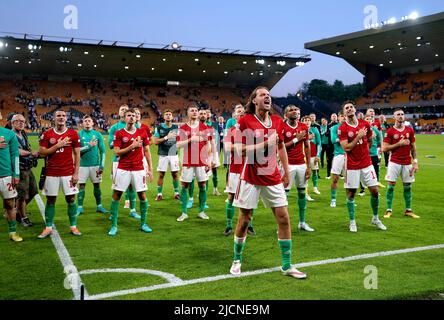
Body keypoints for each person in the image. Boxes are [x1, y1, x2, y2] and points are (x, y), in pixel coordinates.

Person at [230, 86, 306, 279]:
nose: (267, 97)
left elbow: (280, 147)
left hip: (272, 176)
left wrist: (286, 172)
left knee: (284, 218)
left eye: (269, 95)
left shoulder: (278, 121)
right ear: (254, 100)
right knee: (244, 220)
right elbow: (240, 151)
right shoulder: (245, 121)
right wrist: (265, 144)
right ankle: (237, 259)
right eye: (263, 94)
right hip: (250, 177)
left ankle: (287, 265)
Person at [338, 101, 386, 233]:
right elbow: (346, 147)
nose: (349, 109)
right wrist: (358, 137)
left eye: (351, 107)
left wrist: (364, 149)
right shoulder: (342, 128)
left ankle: (375, 218)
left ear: (355, 109)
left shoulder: (365, 124)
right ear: (344, 112)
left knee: (375, 191)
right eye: (346, 108)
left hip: (367, 164)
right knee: (351, 193)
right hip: (352, 165)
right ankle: (352, 221)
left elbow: (370, 140)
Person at [108, 108, 153, 236]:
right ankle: (114, 225)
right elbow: (116, 152)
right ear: (124, 117)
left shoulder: (142, 132)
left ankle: (143, 224)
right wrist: (131, 147)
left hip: (139, 169)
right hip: (123, 168)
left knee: (142, 196)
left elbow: (147, 151)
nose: (132, 117)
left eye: (133, 115)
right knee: (117, 195)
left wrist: (150, 169)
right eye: (129, 115)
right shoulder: (119, 133)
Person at [38, 110, 82, 238]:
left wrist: (76, 173)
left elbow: (77, 154)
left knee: (71, 199)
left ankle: (73, 226)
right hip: (51, 172)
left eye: (63, 116)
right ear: (54, 118)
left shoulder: (73, 134)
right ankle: (48, 227)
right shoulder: (47, 134)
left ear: (66, 118)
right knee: (51, 200)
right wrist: (58, 145)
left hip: (68, 173)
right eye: (58, 116)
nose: (61, 118)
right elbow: (42, 153)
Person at [176, 105, 213, 222]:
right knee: (184, 186)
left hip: (201, 162)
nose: (195, 112)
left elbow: (208, 144)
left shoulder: (204, 127)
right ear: (188, 113)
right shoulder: (183, 128)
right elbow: (177, 145)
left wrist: (208, 160)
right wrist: (190, 140)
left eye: (196, 110)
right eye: (192, 110)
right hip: (188, 161)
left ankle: (201, 211)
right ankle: (184, 212)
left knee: (202, 186)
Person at [223, 106, 255, 236]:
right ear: (234, 116)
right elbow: (227, 148)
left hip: (249, 168)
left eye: (244, 113)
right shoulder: (230, 130)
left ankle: (250, 225)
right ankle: (229, 224)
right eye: (238, 113)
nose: (241, 115)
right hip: (235, 169)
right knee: (231, 197)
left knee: (250, 199)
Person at [382, 109, 419, 219]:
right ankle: (388, 210)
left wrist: (415, 162)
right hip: (394, 162)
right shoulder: (390, 132)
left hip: (407, 163)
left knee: (408, 187)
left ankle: (408, 210)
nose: (401, 116)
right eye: (398, 114)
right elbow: (385, 148)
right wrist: (399, 143)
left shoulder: (409, 130)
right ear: (394, 117)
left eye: (402, 114)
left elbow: (413, 147)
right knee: (390, 187)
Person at [282, 105, 314, 232]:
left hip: (301, 164)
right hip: (287, 165)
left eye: (296, 110)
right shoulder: (282, 127)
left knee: (302, 194)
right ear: (285, 115)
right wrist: (296, 139)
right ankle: (283, 225)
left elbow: (307, 147)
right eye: (291, 110)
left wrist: (308, 167)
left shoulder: (303, 127)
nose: (294, 112)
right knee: (284, 196)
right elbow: (281, 147)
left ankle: (302, 222)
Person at [108, 105, 139, 218]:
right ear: (119, 112)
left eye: (127, 109)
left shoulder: (136, 126)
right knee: (116, 187)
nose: (125, 111)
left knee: (131, 186)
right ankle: (113, 212)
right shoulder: (114, 128)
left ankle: (133, 210)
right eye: (122, 109)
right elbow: (110, 144)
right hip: (118, 161)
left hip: (134, 161)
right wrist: (122, 142)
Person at [77, 115, 108, 215]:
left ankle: (99, 206)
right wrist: (89, 146)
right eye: (85, 121)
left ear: (92, 123)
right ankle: (80, 207)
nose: (87, 122)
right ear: (82, 123)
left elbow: (103, 151)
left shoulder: (97, 135)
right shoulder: (78, 134)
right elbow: (76, 151)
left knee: (97, 185)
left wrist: (101, 165)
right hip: (82, 165)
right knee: (81, 186)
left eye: (89, 121)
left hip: (95, 165)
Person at [11, 114, 38, 227]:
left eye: (23, 121)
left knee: (33, 192)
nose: (21, 123)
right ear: (12, 123)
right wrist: (31, 153)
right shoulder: (10, 135)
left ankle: (16, 210)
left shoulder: (23, 134)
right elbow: (17, 151)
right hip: (18, 169)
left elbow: (26, 148)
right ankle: (23, 217)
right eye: (18, 121)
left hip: (28, 168)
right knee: (22, 195)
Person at [0, 123, 22, 241]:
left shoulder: (9, 134)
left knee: (9, 204)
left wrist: (16, 174)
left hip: (6, 175)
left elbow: (15, 155)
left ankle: (12, 232)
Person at [153, 109, 180, 201]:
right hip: (163, 154)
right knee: (161, 174)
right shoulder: (159, 127)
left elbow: (180, 140)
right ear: (164, 117)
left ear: (172, 117)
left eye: (170, 114)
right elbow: (155, 141)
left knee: (175, 174)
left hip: (173, 154)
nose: (168, 116)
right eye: (166, 114)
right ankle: (159, 194)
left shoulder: (176, 127)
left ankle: (176, 193)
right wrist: (166, 137)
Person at [329, 111, 345, 208]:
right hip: (339, 155)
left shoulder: (351, 127)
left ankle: (350, 200)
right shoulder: (334, 128)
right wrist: (347, 139)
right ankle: (333, 199)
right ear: (338, 117)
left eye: (345, 116)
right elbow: (333, 140)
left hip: (350, 155)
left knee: (349, 180)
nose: (343, 118)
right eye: (342, 116)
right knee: (335, 178)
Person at [302, 116, 321, 196]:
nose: (307, 122)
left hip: (313, 155)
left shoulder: (315, 130)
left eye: (308, 120)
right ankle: (306, 193)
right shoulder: (300, 130)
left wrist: (318, 155)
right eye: (305, 120)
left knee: (314, 172)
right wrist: (308, 138)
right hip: (303, 156)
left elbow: (319, 143)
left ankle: (315, 187)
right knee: (305, 174)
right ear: (302, 121)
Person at [205, 109, 221, 196]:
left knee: (215, 171)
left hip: (213, 151)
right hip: (205, 153)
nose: (207, 114)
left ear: (211, 114)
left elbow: (216, 137)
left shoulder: (215, 124)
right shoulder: (201, 124)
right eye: (205, 113)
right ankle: (205, 190)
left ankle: (215, 189)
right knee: (205, 172)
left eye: (208, 113)